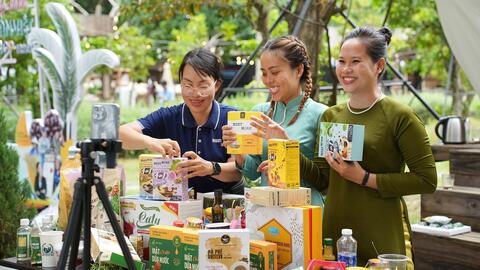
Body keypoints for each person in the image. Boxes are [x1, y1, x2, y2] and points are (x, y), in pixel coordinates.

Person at [288, 27, 435, 267]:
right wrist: (287, 145)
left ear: (379, 66)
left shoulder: (400, 116)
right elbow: (322, 180)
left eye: (356, 61)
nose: (346, 69)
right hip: (335, 234)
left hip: (381, 230)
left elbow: (427, 180)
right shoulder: (331, 116)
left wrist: (365, 178)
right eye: (341, 61)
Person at [119, 48, 243, 194]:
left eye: (203, 86)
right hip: (179, 206)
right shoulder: (168, 116)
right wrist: (151, 142)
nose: (195, 93)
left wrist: (211, 168)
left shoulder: (232, 118)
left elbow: (238, 170)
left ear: (217, 85)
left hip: (225, 204)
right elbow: (120, 134)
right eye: (187, 85)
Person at [222, 35, 328, 205]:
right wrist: (237, 151)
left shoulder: (321, 114)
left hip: (305, 214)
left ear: (299, 70)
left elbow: (323, 182)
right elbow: (253, 173)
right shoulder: (259, 113)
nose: (268, 80)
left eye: (275, 72)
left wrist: (285, 145)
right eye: (264, 73)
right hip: (268, 212)